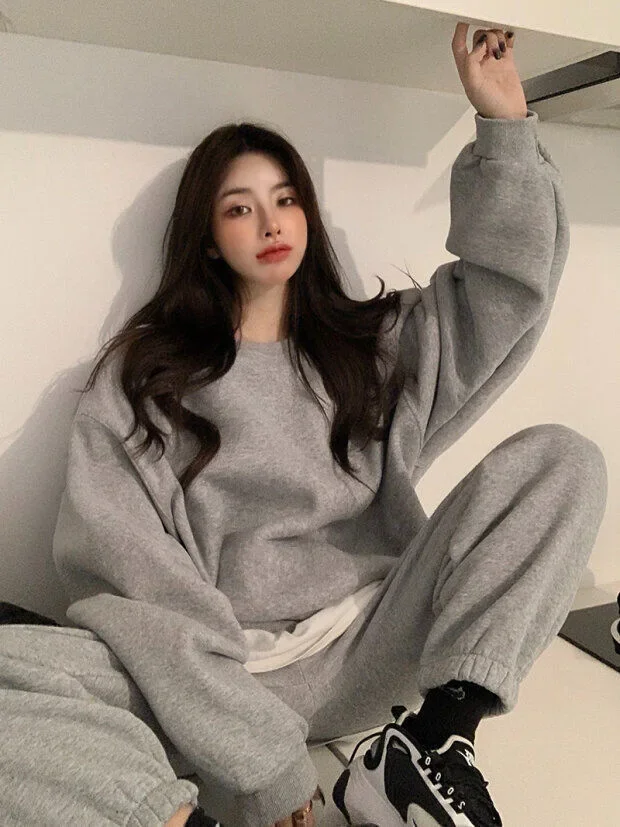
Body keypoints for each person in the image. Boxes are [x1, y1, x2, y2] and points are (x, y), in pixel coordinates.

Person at [0, 21, 608, 827]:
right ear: (207, 239)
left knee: (564, 460)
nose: (271, 222)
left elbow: (506, 293)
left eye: (286, 199)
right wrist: (258, 755)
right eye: (240, 208)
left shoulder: (371, 347)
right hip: (217, 683)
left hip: (374, 644)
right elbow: (139, 588)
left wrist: (503, 124)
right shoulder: (145, 381)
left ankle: (431, 742)